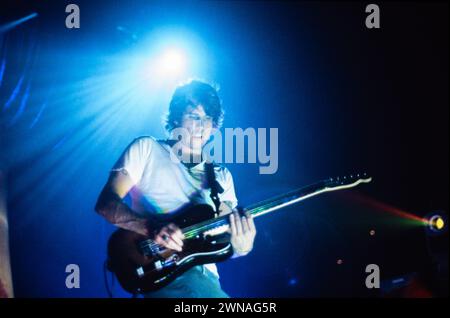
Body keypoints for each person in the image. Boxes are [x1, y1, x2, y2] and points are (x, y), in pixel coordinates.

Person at [95, 80, 257, 298]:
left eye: (208, 119)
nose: (201, 126)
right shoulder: (147, 149)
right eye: (194, 116)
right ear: (176, 117)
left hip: (207, 280)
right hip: (164, 271)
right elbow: (106, 204)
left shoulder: (221, 176)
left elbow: (224, 239)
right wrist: (150, 228)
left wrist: (242, 246)